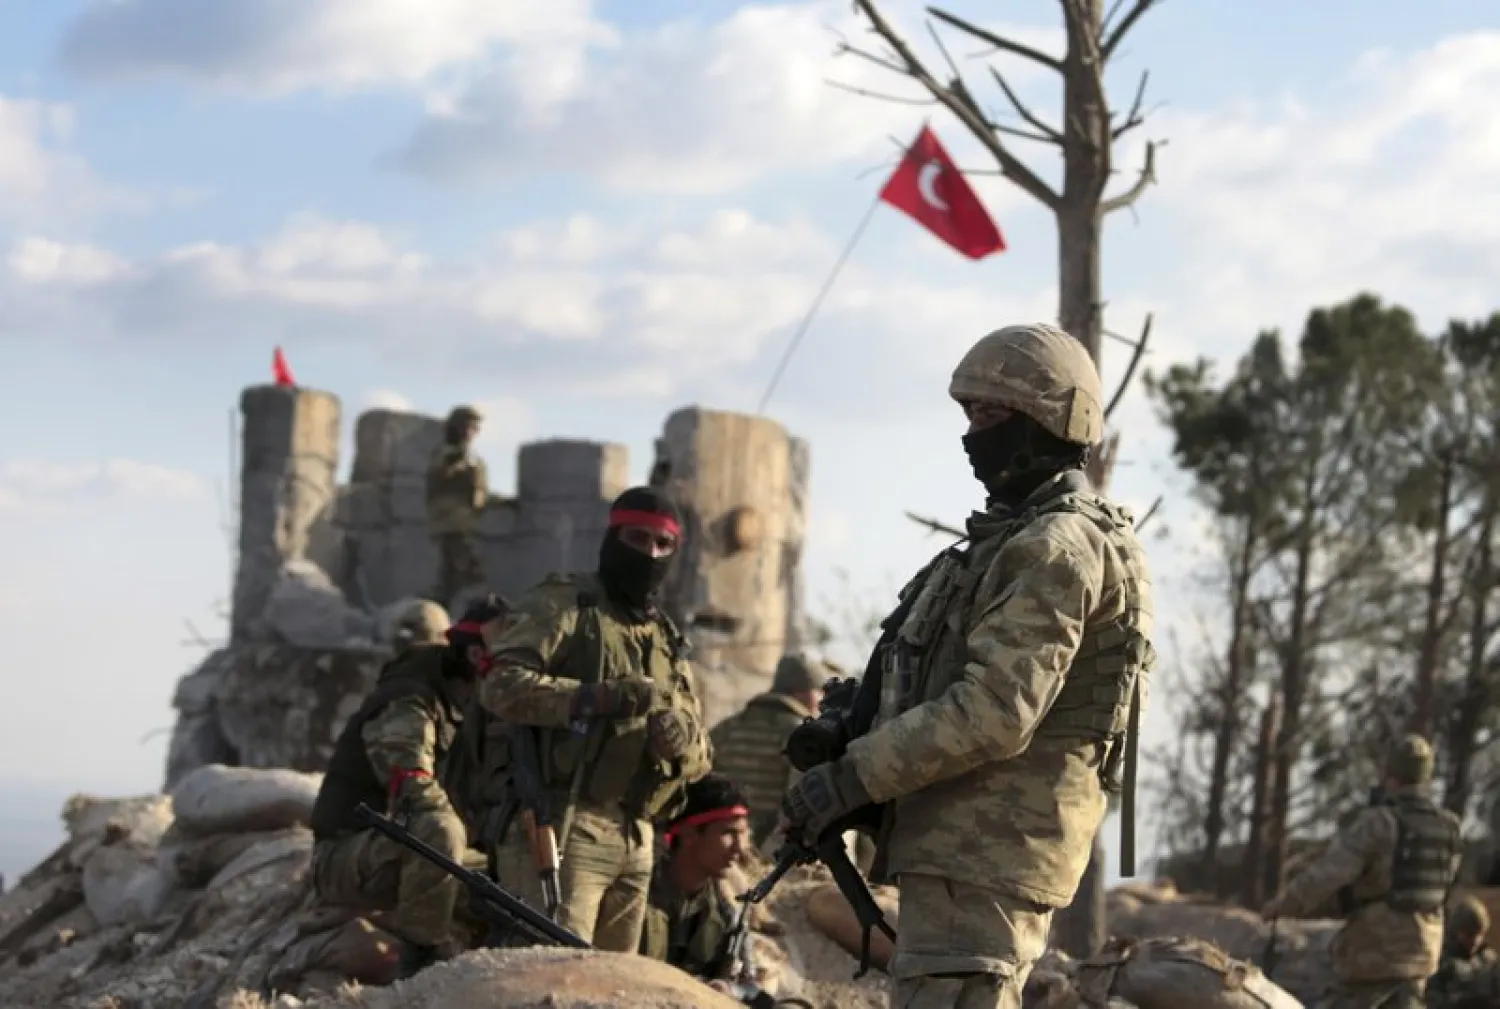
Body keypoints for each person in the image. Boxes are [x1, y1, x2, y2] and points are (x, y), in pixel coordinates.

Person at [778, 323, 1155, 1009]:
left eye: (991, 415)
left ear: (1048, 419)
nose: (973, 435)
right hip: (968, 850)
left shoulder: (1056, 546)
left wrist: (852, 776)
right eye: (969, 413)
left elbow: (993, 712)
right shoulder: (1021, 539)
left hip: (985, 853)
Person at [478, 486, 714, 952]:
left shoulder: (666, 638)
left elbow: (703, 749)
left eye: (663, 545)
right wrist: (596, 698)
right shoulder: (567, 604)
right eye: (637, 539)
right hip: (565, 828)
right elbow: (500, 686)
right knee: (553, 980)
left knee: (615, 989)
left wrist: (683, 739)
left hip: (638, 835)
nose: (650, 554)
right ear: (612, 537)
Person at [307, 594, 508, 968]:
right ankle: (419, 957)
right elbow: (414, 788)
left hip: (408, 852)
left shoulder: (478, 707)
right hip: (348, 856)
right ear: (478, 657)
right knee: (439, 829)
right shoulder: (410, 696)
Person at [1262, 734, 1463, 1009]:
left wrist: (1284, 905)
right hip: (1422, 954)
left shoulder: (1379, 822)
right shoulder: (1450, 827)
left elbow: (1329, 874)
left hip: (1375, 953)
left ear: (1390, 773)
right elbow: (1443, 884)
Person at [639, 772, 755, 987]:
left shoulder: (727, 914)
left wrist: (729, 990)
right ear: (688, 833)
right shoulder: (637, 896)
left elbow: (748, 987)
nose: (739, 848)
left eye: (743, 834)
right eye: (728, 833)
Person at [710, 654, 835, 848]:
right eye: (819, 691)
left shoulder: (727, 728)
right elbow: (803, 806)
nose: (822, 701)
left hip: (722, 845)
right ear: (804, 692)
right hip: (772, 852)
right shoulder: (803, 737)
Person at [426, 405, 489, 607]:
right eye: (467, 427)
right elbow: (439, 476)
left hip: (468, 523)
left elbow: (479, 492)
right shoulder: (445, 454)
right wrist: (457, 459)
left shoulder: (474, 459)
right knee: (461, 572)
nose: (472, 432)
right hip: (450, 524)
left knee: (462, 573)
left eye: (474, 428)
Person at [1427, 895, 1500, 1007]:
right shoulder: (1441, 962)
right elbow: (1434, 1001)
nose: (1475, 940)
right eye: (1469, 934)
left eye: (1479, 934)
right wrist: (1465, 1001)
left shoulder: (1489, 959)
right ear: (1456, 932)